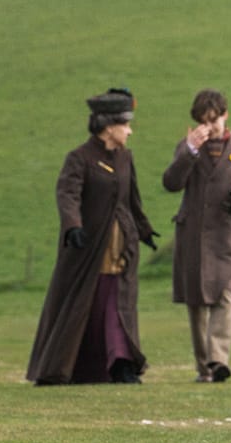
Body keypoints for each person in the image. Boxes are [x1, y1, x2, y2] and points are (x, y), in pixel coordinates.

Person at [27, 88, 158, 386]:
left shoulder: (125, 158)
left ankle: (122, 364)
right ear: (109, 127)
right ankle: (63, 368)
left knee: (118, 306)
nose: (130, 131)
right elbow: (67, 195)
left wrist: (144, 230)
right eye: (125, 125)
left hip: (121, 249)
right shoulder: (79, 158)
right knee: (83, 308)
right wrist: (73, 225)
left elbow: (132, 199)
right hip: (87, 250)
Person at [162, 89, 231, 383]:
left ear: (225, 115)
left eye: (215, 119)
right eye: (204, 121)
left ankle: (218, 360)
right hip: (193, 236)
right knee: (196, 302)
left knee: (224, 295)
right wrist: (189, 151)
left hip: (229, 237)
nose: (212, 126)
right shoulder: (188, 149)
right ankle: (204, 368)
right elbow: (171, 183)